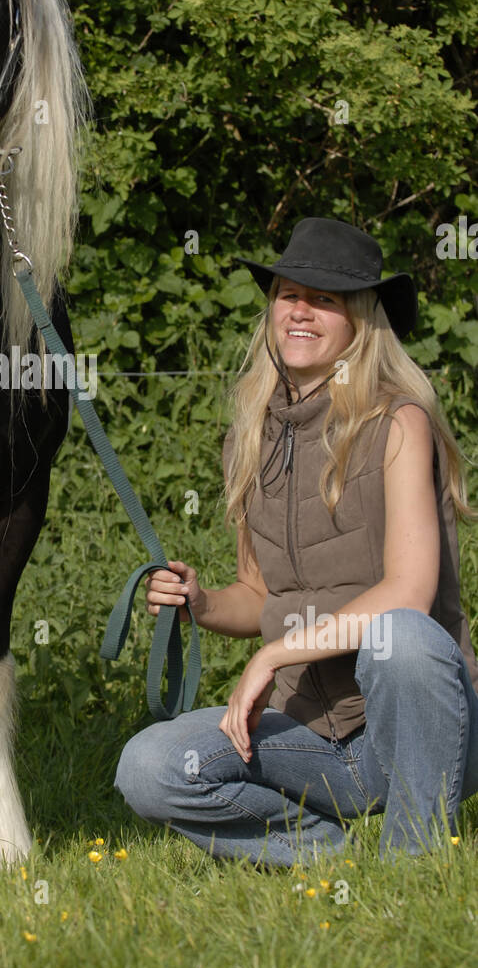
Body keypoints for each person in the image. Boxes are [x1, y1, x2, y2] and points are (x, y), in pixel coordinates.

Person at [115, 217, 478, 865]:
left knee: (404, 644)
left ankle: (413, 861)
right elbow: (261, 596)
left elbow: (410, 594)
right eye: (288, 294)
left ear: (360, 321)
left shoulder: (399, 422)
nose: (300, 311)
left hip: (419, 725)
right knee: (150, 765)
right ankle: (323, 854)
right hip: (312, 734)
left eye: (324, 299)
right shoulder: (251, 439)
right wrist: (199, 602)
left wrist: (273, 657)